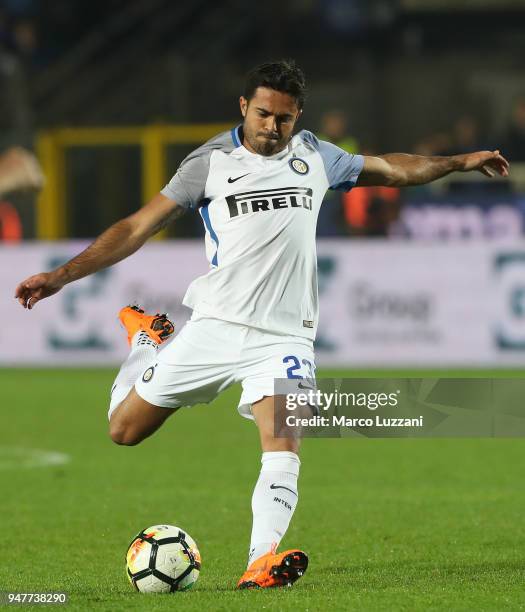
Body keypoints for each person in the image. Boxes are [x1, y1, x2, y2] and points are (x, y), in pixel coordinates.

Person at [14, 60, 509, 589]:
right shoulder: (209, 163)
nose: (273, 128)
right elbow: (137, 227)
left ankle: (260, 561)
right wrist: (63, 275)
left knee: (284, 440)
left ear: (298, 117)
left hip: (285, 336)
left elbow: (394, 168)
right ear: (244, 107)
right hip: (215, 326)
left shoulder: (317, 156)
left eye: (285, 118)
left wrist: (459, 161)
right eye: (265, 114)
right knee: (123, 431)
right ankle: (146, 341)